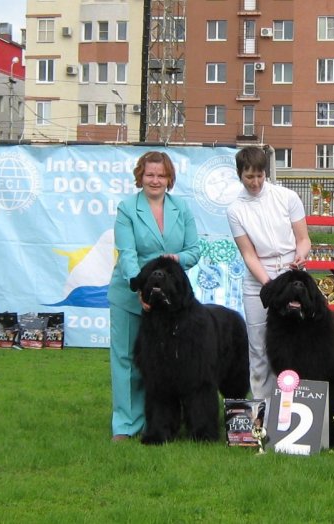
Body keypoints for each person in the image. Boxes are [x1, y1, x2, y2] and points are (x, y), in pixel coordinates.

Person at [107, 150, 200, 441]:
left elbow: (194, 250)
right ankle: (125, 425)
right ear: (140, 176)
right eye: (150, 174)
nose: (155, 180)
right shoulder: (126, 209)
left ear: (169, 178)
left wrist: (178, 258)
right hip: (130, 293)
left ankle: (159, 422)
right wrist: (139, 288)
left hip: (172, 303)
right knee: (126, 359)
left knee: (163, 363)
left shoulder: (181, 209)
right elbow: (128, 254)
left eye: (161, 175)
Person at [226, 146, 311, 408]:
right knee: (259, 347)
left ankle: (294, 404)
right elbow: (249, 255)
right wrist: (271, 286)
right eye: (249, 177)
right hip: (258, 281)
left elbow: (304, 239)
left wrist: (300, 256)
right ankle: (262, 409)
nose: (255, 182)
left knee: (296, 342)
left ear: (266, 173)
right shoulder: (235, 210)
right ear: (239, 174)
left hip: (292, 274)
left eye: (260, 176)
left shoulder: (287, 197)